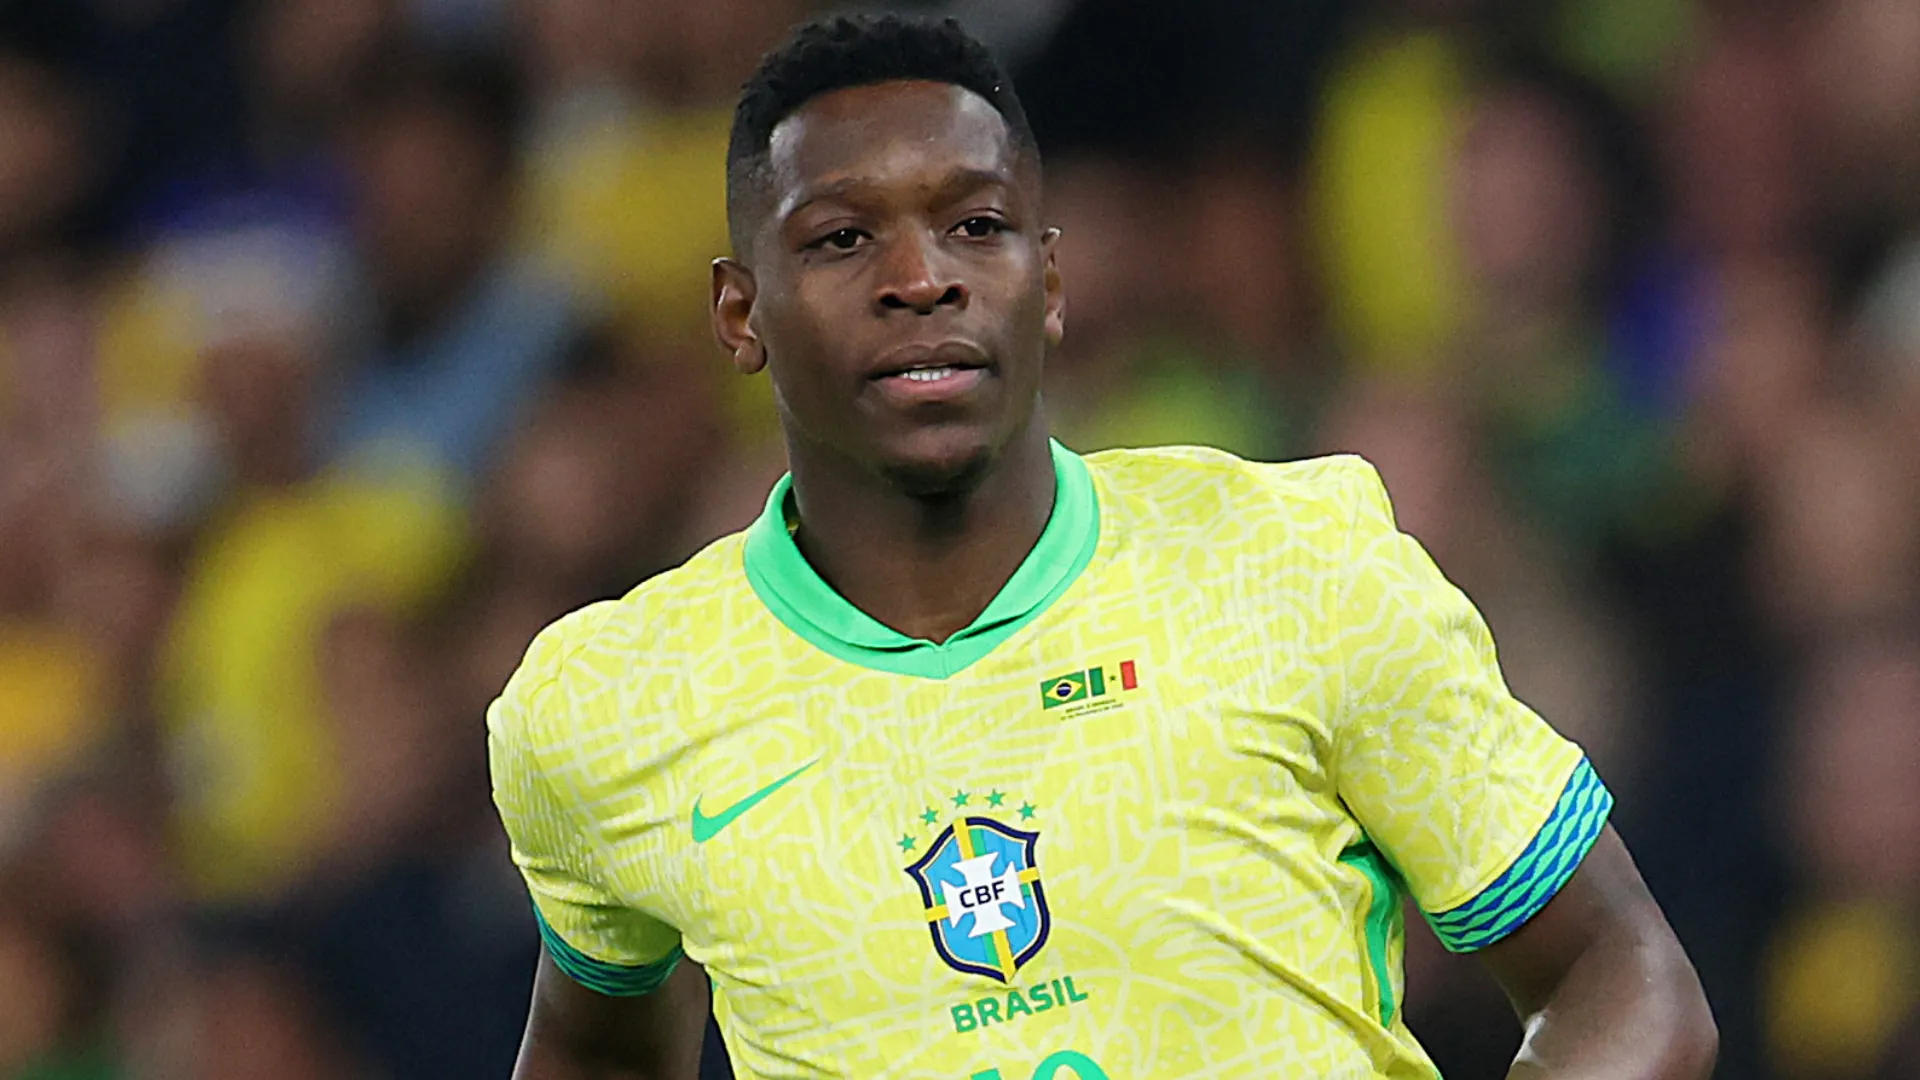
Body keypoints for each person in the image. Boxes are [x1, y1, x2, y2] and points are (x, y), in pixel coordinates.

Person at [487, 15, 1717, 1080]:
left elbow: (1619, 974)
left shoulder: (1292, 566)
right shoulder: (612, 706)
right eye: (842, 239)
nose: (923, 280)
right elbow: (597, 1052)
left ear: (1052, 282)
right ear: (740, 312)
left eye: (975, 226)